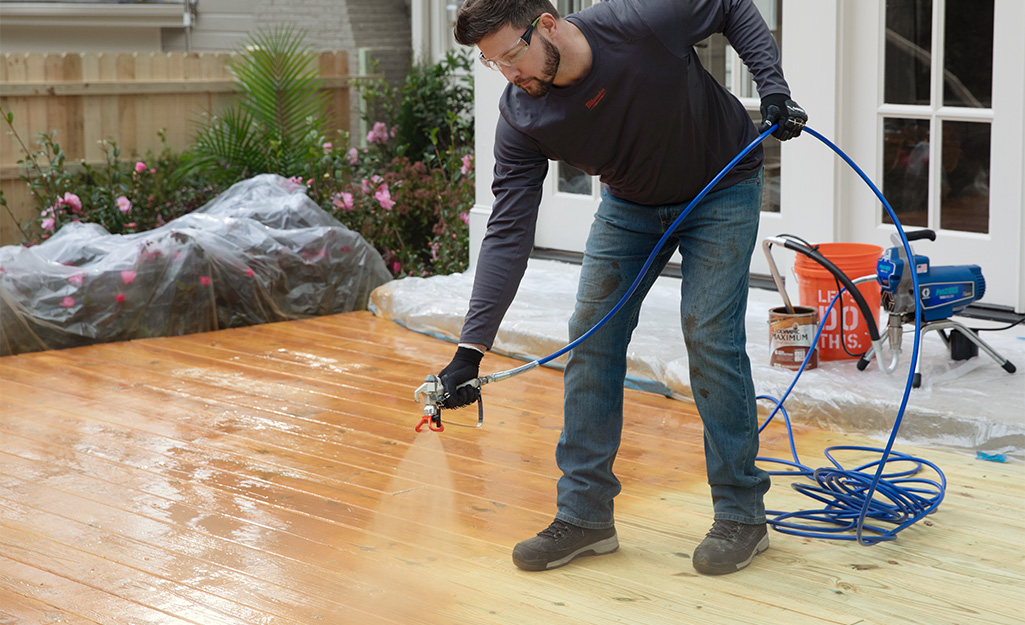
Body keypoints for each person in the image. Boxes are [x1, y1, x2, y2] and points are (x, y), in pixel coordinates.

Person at [437, 0, 807, 576]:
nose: (510, 75)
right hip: (630, 204)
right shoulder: (523, 117)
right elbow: (508, 230)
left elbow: (732, 5)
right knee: (591, 338)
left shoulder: (642, 23)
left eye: (512, 55)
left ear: (549, 24)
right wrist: (469, 350)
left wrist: (774, 88)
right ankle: (585, 517)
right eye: (494, 65)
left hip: (721, 187)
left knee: (708, 334)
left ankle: (741, 515)